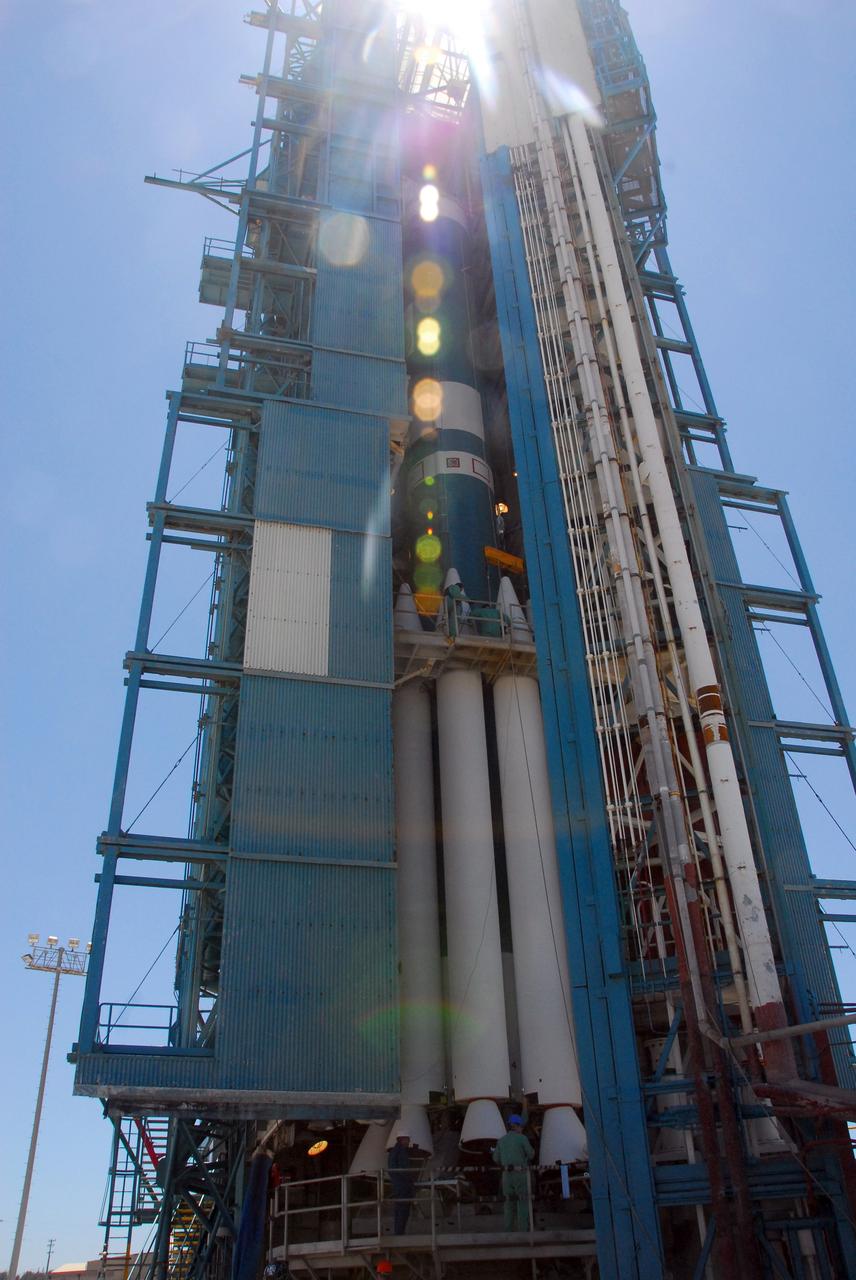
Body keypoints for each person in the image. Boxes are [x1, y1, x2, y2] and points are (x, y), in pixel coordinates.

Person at [492, 1114, 535, 1231]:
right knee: (522, 1202)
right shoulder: (522, 1138)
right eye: (521, 1127)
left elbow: (495, 1158)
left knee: (509, 1203)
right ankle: (523, 1231)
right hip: (520, 1174)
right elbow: (531, 1154)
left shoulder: (501, 1141)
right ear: (518, 1126)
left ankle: (508, 1231)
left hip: (506, 1176)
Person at [387, 1132, 418, 1234]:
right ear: (402, 1139)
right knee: (403, 1210)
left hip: (398, 1185)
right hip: (403, 1185)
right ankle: (399, 1233)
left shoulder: (394, 1151)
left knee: (399, 1209)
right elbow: (403, 1169)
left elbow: (392, 1169)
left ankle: (398, 1233)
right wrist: (409, 1182)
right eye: (407, 1139)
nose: (409, 1141)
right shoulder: (401, 1152)